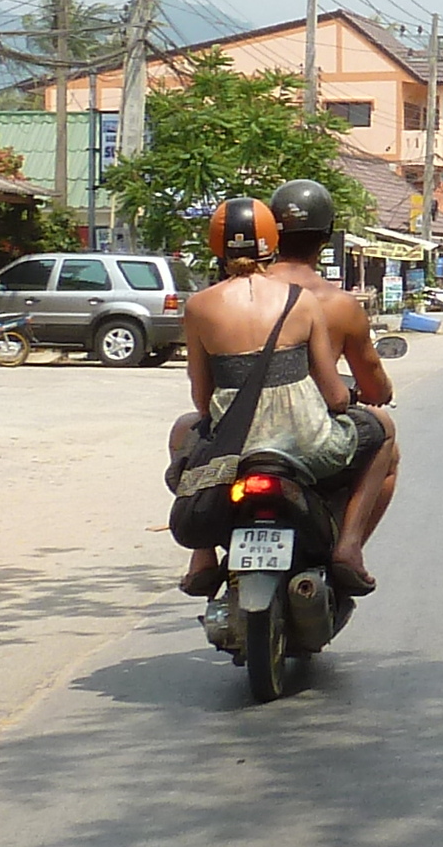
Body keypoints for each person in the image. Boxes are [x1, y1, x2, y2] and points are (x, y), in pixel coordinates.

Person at [165, 180, 399, 596]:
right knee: (382, 430)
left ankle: (202, 555)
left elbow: (201, 401)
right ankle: (347, 547)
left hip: (234, 446)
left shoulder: (201, 305)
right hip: (304, 440)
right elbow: (338, 394)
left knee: (183, 431)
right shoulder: (306, 300)